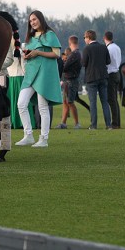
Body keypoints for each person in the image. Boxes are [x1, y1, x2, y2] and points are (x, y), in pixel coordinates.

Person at [16, 11, 61, 148]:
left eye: (34, 19)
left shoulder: (50, 34)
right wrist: (27, 55)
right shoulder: (30, 37)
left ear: (40, 19)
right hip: (30, 74)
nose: (32, 23)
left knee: (43, 107)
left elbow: (56, 54)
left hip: (44, 74)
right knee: (21, 103)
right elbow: (30, 53)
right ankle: (28, 135)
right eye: (30, 21)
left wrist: (38, 52)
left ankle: (43, 139)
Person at [82, 30, 111, 130]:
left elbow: (83, 63)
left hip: (91, 78)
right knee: (105, 102)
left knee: (93, 103)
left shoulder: (87, 48)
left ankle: (93, 125)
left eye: (84, 37)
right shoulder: (103, 47)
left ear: (88, 37)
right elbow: (108, 61)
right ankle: (108, 125)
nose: (84, 39)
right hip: (103, 77)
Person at [59, 36, 82, 129]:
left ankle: (77, 124)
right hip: (68, 81)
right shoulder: (77, 54)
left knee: (70, 102)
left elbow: (65, 68)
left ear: (70, 43)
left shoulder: (74, 54)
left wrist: (63, 61)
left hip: (71, 81)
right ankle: (63, 123)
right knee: (65, 102)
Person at [103, 31, 122, 129]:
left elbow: (107, 62)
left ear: (104, 38)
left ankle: (115, 123)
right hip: (117, 73)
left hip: (111, 74)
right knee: (114, 100)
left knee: (111, 100)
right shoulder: (117, 47)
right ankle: (117, 122)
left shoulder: (108, 49)